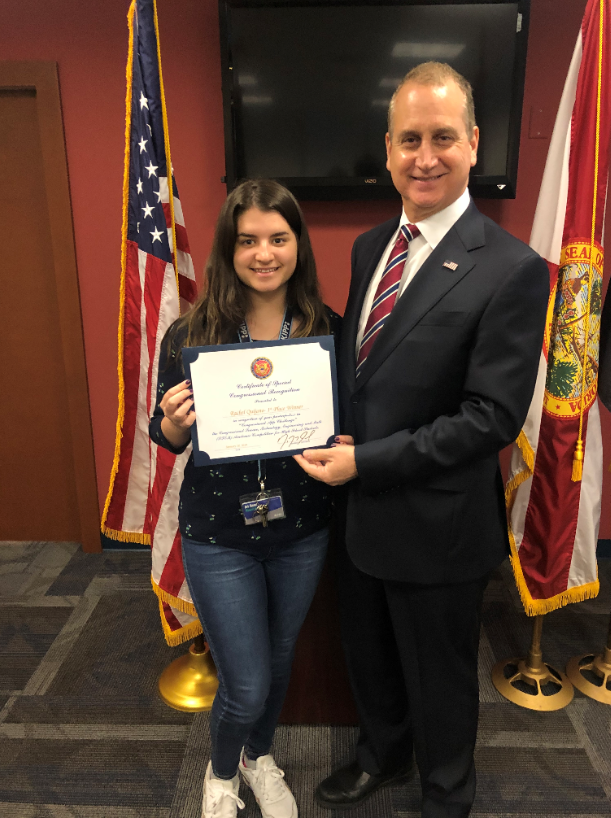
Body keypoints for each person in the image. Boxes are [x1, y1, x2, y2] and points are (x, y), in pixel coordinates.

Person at [295, 62, 550, 817]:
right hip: (358, 510)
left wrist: (363, 462)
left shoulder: (511, 268)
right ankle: (382, 754)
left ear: (473, 143)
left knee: (439, 678)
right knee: (369, 654)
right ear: (387, 148)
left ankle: (446, 794)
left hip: (437, 524)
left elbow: (489, 418)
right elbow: (366, 372)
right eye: (409, 139)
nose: (425, 156)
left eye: (443, 137)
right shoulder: (370, 245)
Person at [149, 179, 341, 818]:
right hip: (219, 533)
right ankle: (222, 772)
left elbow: (346, 421)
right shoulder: (190, 335)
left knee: (279, 663)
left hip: (301, 528)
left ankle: (260, 757)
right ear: (227, 250)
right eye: (248, 240)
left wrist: (346, 442)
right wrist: (173, 423)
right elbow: (164, 435)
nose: (264, 253)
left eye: (278, 238)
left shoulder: (326, 329)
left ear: (298, 245)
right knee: (248, 679)